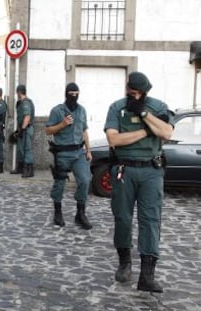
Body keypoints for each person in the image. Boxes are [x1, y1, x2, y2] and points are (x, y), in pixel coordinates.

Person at [104, 72, 174, 293]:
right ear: (127, 89)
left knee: (151, 220)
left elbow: (166, 133)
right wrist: (146, 131)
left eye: (141, 93)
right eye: (133, 92)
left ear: (146, 91)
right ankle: (125, 264)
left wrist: (144, 114)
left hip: (151, 171)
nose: (137, 96)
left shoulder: (158, 106)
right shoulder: (117, 108)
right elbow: (114, 139)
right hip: (124, 169)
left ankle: (147, 275)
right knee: (122, 218)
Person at [44, 82, 93, 230]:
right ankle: (58, 212)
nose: (74, 97)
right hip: (62, 153)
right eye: (71, 94)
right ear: (66, 94)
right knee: (59, 184)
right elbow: (48, 131)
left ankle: (80, 213)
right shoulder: (57, 110)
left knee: (85, 181)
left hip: (79, 153)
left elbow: (84, 131)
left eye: (76, 94)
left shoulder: (82, 110)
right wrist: (62, 124)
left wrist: (89, 150)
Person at [10, 84, 35, 177]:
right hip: (23, 128)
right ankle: (20, 168)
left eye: (17, 93)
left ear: (19, 92)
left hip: (26, 129)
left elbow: (27, 117)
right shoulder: (22, 102)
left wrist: (22, 129)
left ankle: (29, 170)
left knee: (27, 149)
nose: (17, 95)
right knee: (21, 149)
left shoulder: (26, 103)